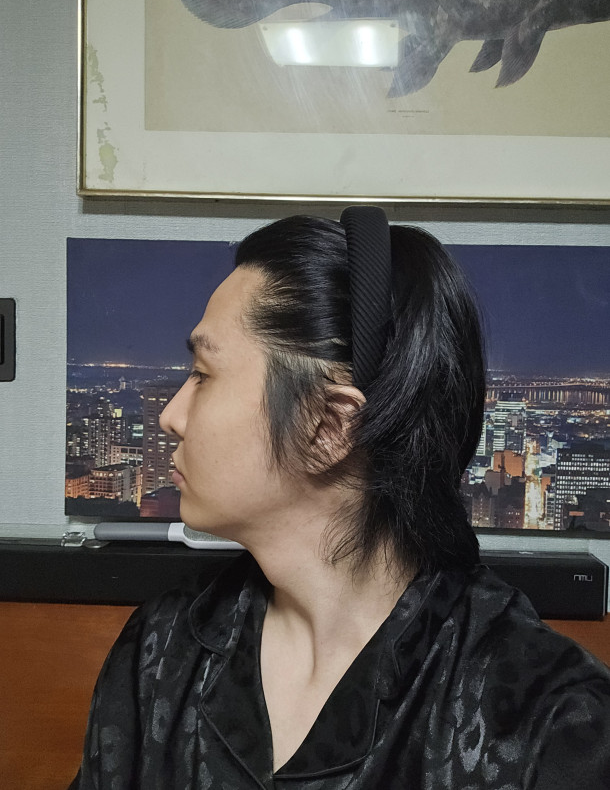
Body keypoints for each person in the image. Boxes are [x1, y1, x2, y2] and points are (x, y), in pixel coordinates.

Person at [70, 208, 610, 789]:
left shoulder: (549, 727)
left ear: (327, 427)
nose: (172, 416)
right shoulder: (161, 651)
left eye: (203, 374)